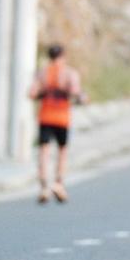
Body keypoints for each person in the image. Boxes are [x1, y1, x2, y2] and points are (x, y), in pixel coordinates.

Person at [28, 44, 84, 204]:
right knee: (62, 151)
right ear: (63, 56)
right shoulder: (69, 73)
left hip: (45, 116)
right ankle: (59, 184)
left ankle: (44, 186)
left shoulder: (42, 73)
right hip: (62, 117)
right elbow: (75, 92)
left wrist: (44, 93)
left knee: (43, 151)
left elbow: (32, 93)